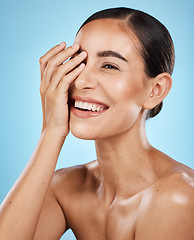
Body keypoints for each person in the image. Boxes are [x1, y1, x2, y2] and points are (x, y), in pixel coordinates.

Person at [0, 7, 193, 240]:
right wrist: (51, 132)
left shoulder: (177, 197)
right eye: (78, 62)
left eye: (109, 66)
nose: (81, 80)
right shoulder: (64, 188)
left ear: (156, 90)